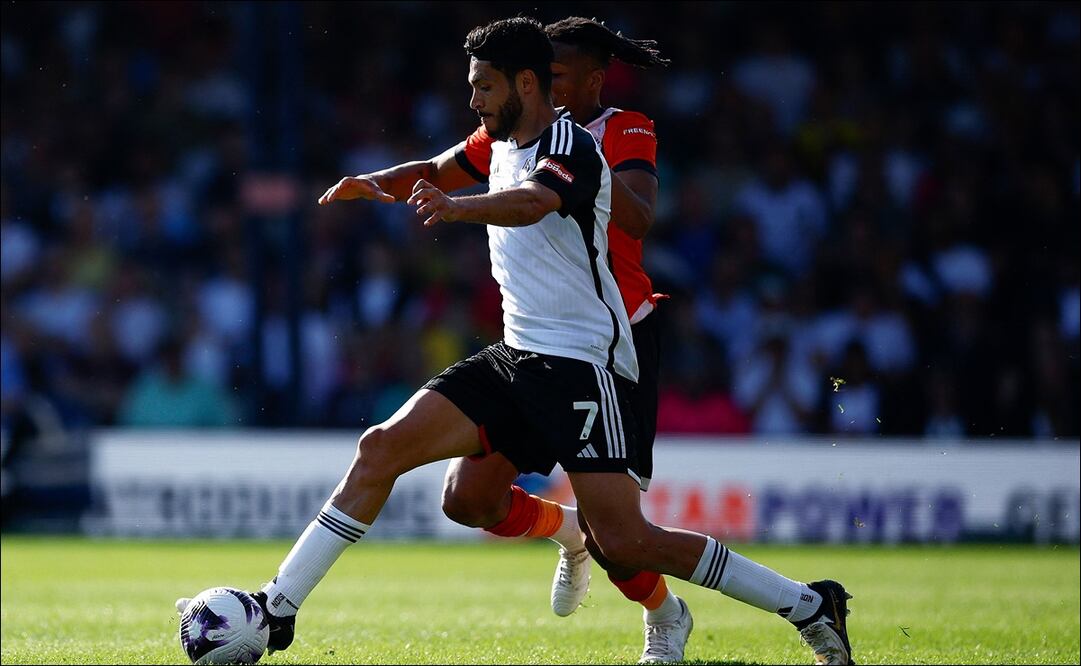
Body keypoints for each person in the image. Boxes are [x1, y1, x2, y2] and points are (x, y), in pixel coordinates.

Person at [180, 17, 854, 666]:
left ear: (526, 84)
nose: (472, 100)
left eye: (483, 86)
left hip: (582, 364)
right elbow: (438, 167)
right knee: (406, 464)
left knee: (625, 542)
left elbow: (534, 201)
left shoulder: (573, 147)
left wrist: (455, 208)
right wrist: (380, 184)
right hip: (515, 355)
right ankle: (277, 607)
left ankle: (806, 604)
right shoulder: (496, 139)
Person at [434, 17, 692, 663]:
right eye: (536, 75)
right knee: (468, 500)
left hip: (613, 337)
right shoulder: (513, 136)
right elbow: (446, 169)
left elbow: (637, 214)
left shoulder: (619, 129)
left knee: (621, 536)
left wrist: (577, 168)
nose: (541, 84)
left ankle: (664, 615)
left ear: (594, 79)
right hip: (537, 340)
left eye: (555, 75)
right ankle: (567, 533)